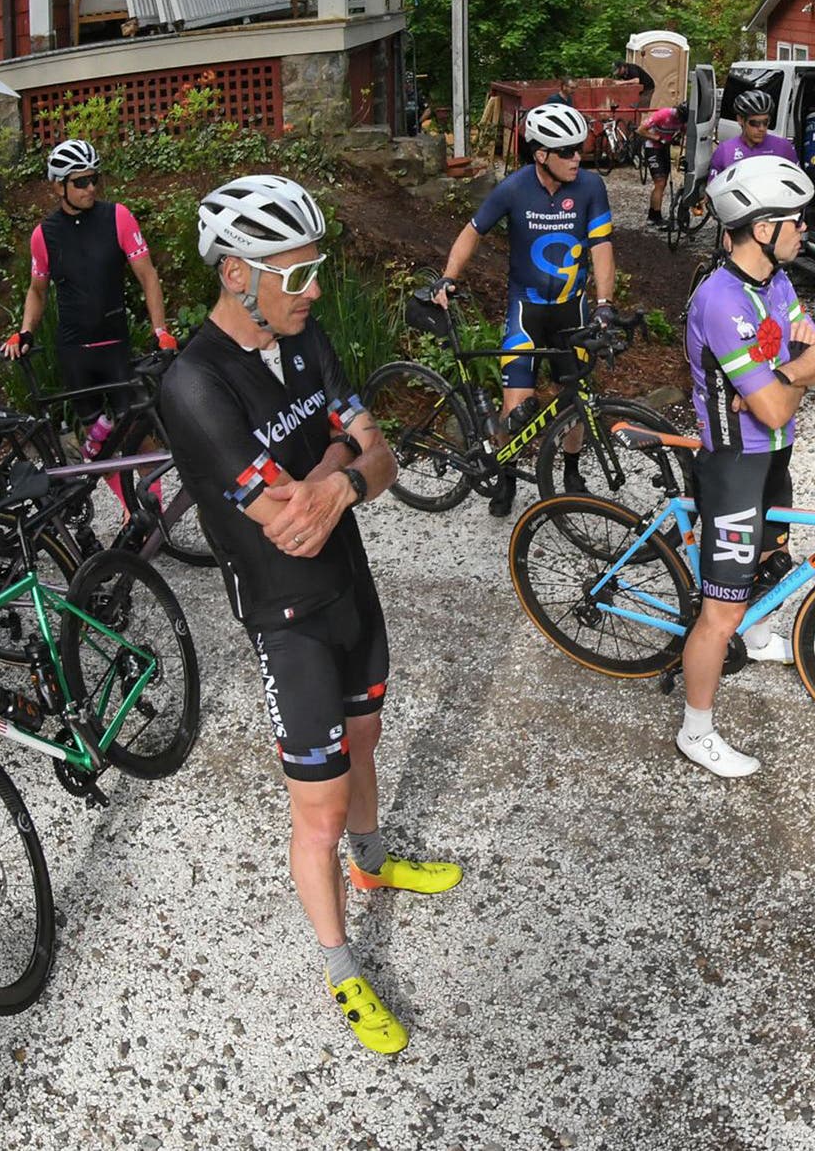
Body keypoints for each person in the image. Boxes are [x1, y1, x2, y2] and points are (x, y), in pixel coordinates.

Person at [157, 175, 460, 1057]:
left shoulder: (306, 336)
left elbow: (385, 456)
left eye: (315, 269)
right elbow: (288, 521)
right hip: (286, 615)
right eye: (297, 275)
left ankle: (374, 864)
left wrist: (337, 476)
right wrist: (340, 461)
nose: (316, 289)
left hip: (351, 586)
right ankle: (340, 967)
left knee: (367, 738)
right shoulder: (193, 384)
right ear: (237, 274)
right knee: (318, 810)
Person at [679, 156, 815, 778]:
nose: (805, 228)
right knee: (720, 613)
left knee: (773, 556)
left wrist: (786, 376)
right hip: (734, 464)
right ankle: (696, 730)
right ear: (763, 228)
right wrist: (786, 384)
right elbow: (770, 408)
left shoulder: (777, 283)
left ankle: (760, 628)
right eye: (796, 219)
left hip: (774, 454)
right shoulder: (721, 301)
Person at [434, 102, 618, 517]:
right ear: (541, 154)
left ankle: (571, 471)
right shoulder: (514, 188)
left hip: (572, 312)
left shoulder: (590, 188)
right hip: (526, 313)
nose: (577, 157)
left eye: (579, 148)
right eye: (567, 151)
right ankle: (506, 477)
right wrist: (448, 276)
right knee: (515, 407)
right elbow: (472, 231)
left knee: (575, 403)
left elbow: (602, 247)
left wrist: (605, 304)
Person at [3, 139, 178, 443]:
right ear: (59, 187)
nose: (91, 188)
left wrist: (160, 329)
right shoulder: (44, 234)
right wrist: (26, 331)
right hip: (74, 353)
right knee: (97, 444)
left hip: (115, 346)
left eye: (94, 179)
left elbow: (148, 276)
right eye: (81, 182)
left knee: (140, 440)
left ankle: (143, 478)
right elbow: (37, 291)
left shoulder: (118, 217)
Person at [708, 90, 800, 174]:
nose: (762, 128)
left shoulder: (784, 147)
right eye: (755, 123)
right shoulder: (724, 150)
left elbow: (798, 180)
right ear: (740, 120)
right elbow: (714, 186)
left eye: (765, 122)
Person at [637, 101, 688, 227]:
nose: (679, 120)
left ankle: (653, 215)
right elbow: (640, 130)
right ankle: (656, 217)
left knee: (663, 184)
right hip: (652, 148)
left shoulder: (683, 120)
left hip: (665, 149)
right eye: (679, 117)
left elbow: (683, 133)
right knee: (659, 182)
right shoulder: (663, 114)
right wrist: (658, 138)